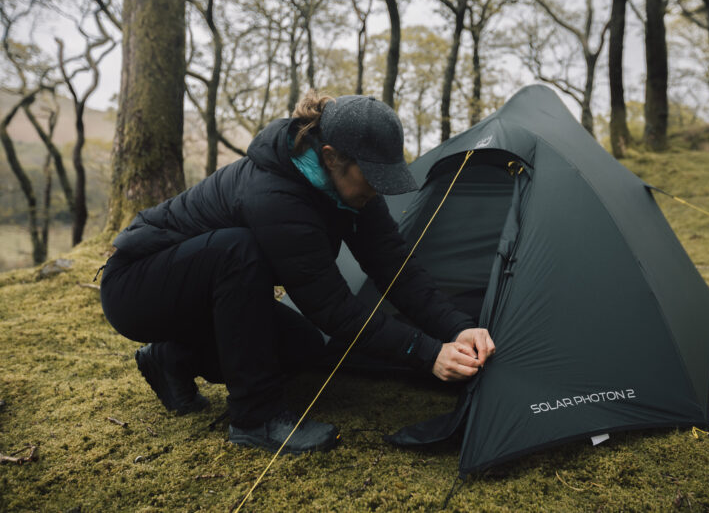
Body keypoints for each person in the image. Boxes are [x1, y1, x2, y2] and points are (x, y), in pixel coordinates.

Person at [99, 90, 496, 455]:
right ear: (330, 156)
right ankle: (255, 419)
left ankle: (173, 358)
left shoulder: (353, 191)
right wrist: (427, 354)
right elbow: (334, 309)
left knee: (303, 348)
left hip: (201, 296)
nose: (378, 188)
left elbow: (395, 268)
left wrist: (457, 328)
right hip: (137, 289)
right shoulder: (275, 194)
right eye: (372, 175)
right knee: (239, 250)